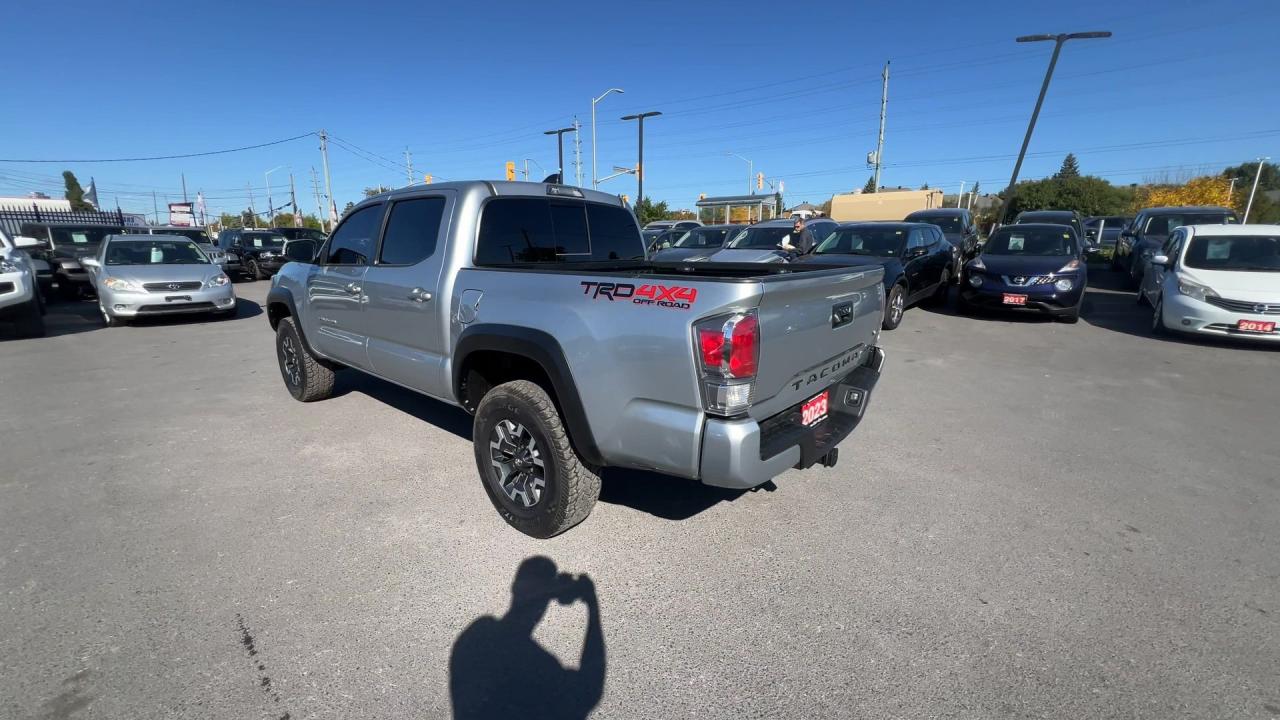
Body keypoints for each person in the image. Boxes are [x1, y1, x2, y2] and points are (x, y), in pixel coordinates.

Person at [449, 557, 605, 719]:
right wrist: (591, 605)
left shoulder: (479, 635)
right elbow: (588, 691)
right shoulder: (534, 663)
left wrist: (548, 591)